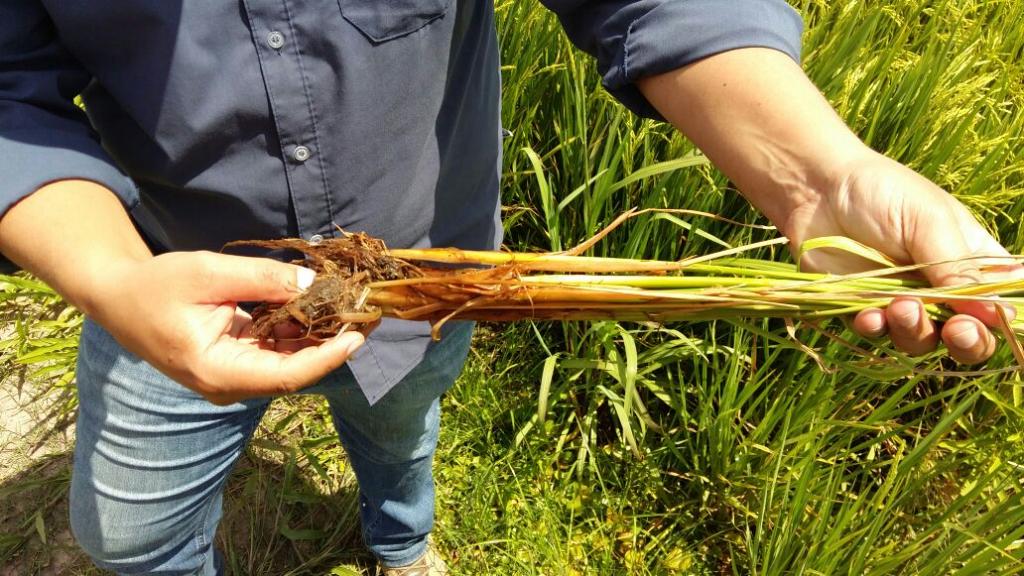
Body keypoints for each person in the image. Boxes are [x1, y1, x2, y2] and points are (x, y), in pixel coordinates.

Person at [0, 1, 1015, 574]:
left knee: (398, 435)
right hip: (160, 278)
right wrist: (117, 279)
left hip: (428, 279)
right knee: (128, 535)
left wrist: (819, 174)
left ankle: (400, 545)